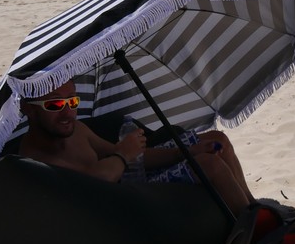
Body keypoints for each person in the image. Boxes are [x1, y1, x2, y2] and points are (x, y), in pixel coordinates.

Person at [18, 79, 255, 215]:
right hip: (126, 206)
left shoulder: (76, 130)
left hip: (131, 177)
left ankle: (255, 208)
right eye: (55, 105)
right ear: (28, 109)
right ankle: (256, 231)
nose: (68, 112)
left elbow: (124, 155)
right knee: (208, 164)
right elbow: (91, 185)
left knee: (216, 139)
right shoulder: (34, 161)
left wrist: (180, 153)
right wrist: (123, 154)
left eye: (72, 101)